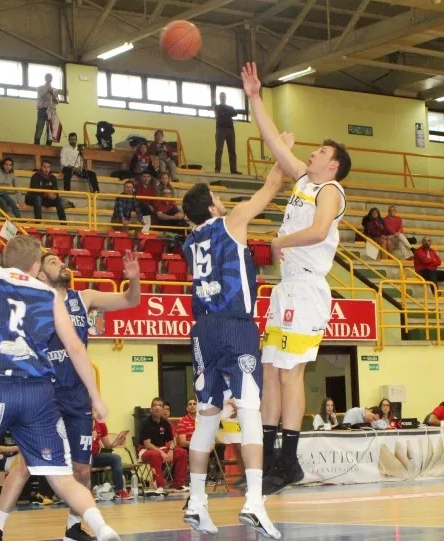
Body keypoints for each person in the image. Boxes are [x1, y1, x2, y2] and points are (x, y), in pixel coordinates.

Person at [0, 235, 118, 541]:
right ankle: (103, 528)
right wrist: (96, 397)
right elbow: (74, 347)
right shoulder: (50, 294)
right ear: (36, 266)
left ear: (5, 259)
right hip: (38, 392)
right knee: (62, 476)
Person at [240, 62, 352, 498]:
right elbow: (272, 140)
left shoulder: (331, 191)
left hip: (307, 288)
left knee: (290, 375)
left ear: (334, 164)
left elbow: (321, 231)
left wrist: (279, 240)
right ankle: (272, 458)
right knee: (270, 371)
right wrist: (254, 97)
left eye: (320, 153)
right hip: (286, 286)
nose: (311, 154)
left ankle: (288, 461)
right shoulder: (305, 180)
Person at [0, 249, 139, 541]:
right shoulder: (31, 302)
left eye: (62, 260)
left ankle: (72, 528)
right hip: (44, 392)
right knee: (27, 464)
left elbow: (131, 300)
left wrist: (134, 280)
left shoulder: (85, 298)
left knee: (82, 468)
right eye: (54, 262)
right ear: (41, 274)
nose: (63, 264)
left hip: (77, 395)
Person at [179, 137, 290, 537]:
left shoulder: (189, 242)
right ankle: (255, 502)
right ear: (211, 206)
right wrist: (281, 147)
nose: (222, 199)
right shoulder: (232, 221)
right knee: (248, 410)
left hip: (202, 330)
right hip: (234, 324)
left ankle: (195, 501)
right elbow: (273, 186)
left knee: (207, 414)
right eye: (216, 196)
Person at [138, 397, 186, 497]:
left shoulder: (165, 423)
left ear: (163, 409)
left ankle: (179, 484)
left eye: (160, 405)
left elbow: (172, 441)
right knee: (155, 454)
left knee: (182, 452)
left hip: (162, 449)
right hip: (145, 450)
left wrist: (171, 450)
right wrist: (161, 452)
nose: (157, 407)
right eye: (155, 405)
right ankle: (159, 485)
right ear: (151, 409)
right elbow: (147, 444)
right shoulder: (146, 423)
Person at [91, 421, 131, 500]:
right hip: (81, 456)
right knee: (85, 462)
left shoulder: (101, 424)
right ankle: (87, 493)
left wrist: (118, 442)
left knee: (116, 458)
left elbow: (108, 445)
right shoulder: (80, 422)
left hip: (94, 456)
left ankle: (119, 491)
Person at [214, 92, 243, 174]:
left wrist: (225, 112)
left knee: (232, 151)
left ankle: (233, 170)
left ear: (225, 97)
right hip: (220, 130)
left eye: (223, 96)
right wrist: (228, 112)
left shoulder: (229, 107)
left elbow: (235, 113)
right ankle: (217, 169)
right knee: (219, 150)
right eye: (221, 96)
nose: (222, 97)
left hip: (230, 130)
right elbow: (220, 114)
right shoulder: (217, 107)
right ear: (219, 98)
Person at [34, 73, 59, 145]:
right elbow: (41, 96)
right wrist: (48, 90)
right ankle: (36, 146)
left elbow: (57, 101)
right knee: (39, 128)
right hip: (42, 109)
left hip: (51, 110)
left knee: (50, 130)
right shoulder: (40, 88)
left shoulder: (55, 90)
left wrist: (53, 94)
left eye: (50, 77)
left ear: (52, 79)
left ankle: (48, 146)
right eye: (48, 77)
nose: (49, 79)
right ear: (45, 78)